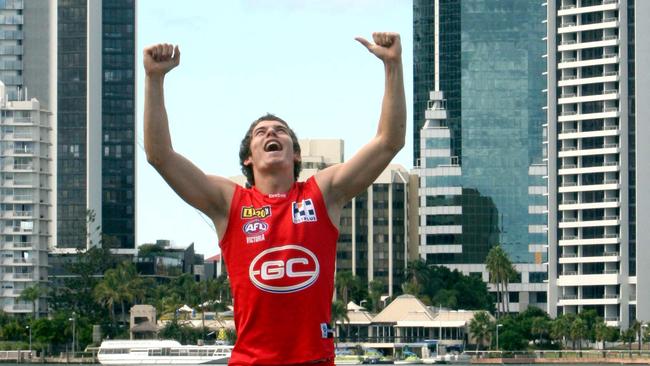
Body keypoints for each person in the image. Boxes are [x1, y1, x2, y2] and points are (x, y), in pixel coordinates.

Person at [143, 32, 405, 365]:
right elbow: (160, 156)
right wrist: (154, 79)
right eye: (261, 132)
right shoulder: (229, 202)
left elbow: (388, 142)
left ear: (296, 154)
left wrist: (392, 65)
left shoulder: (323, 193)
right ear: (248, 158)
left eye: (280, 130)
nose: (271, 133)